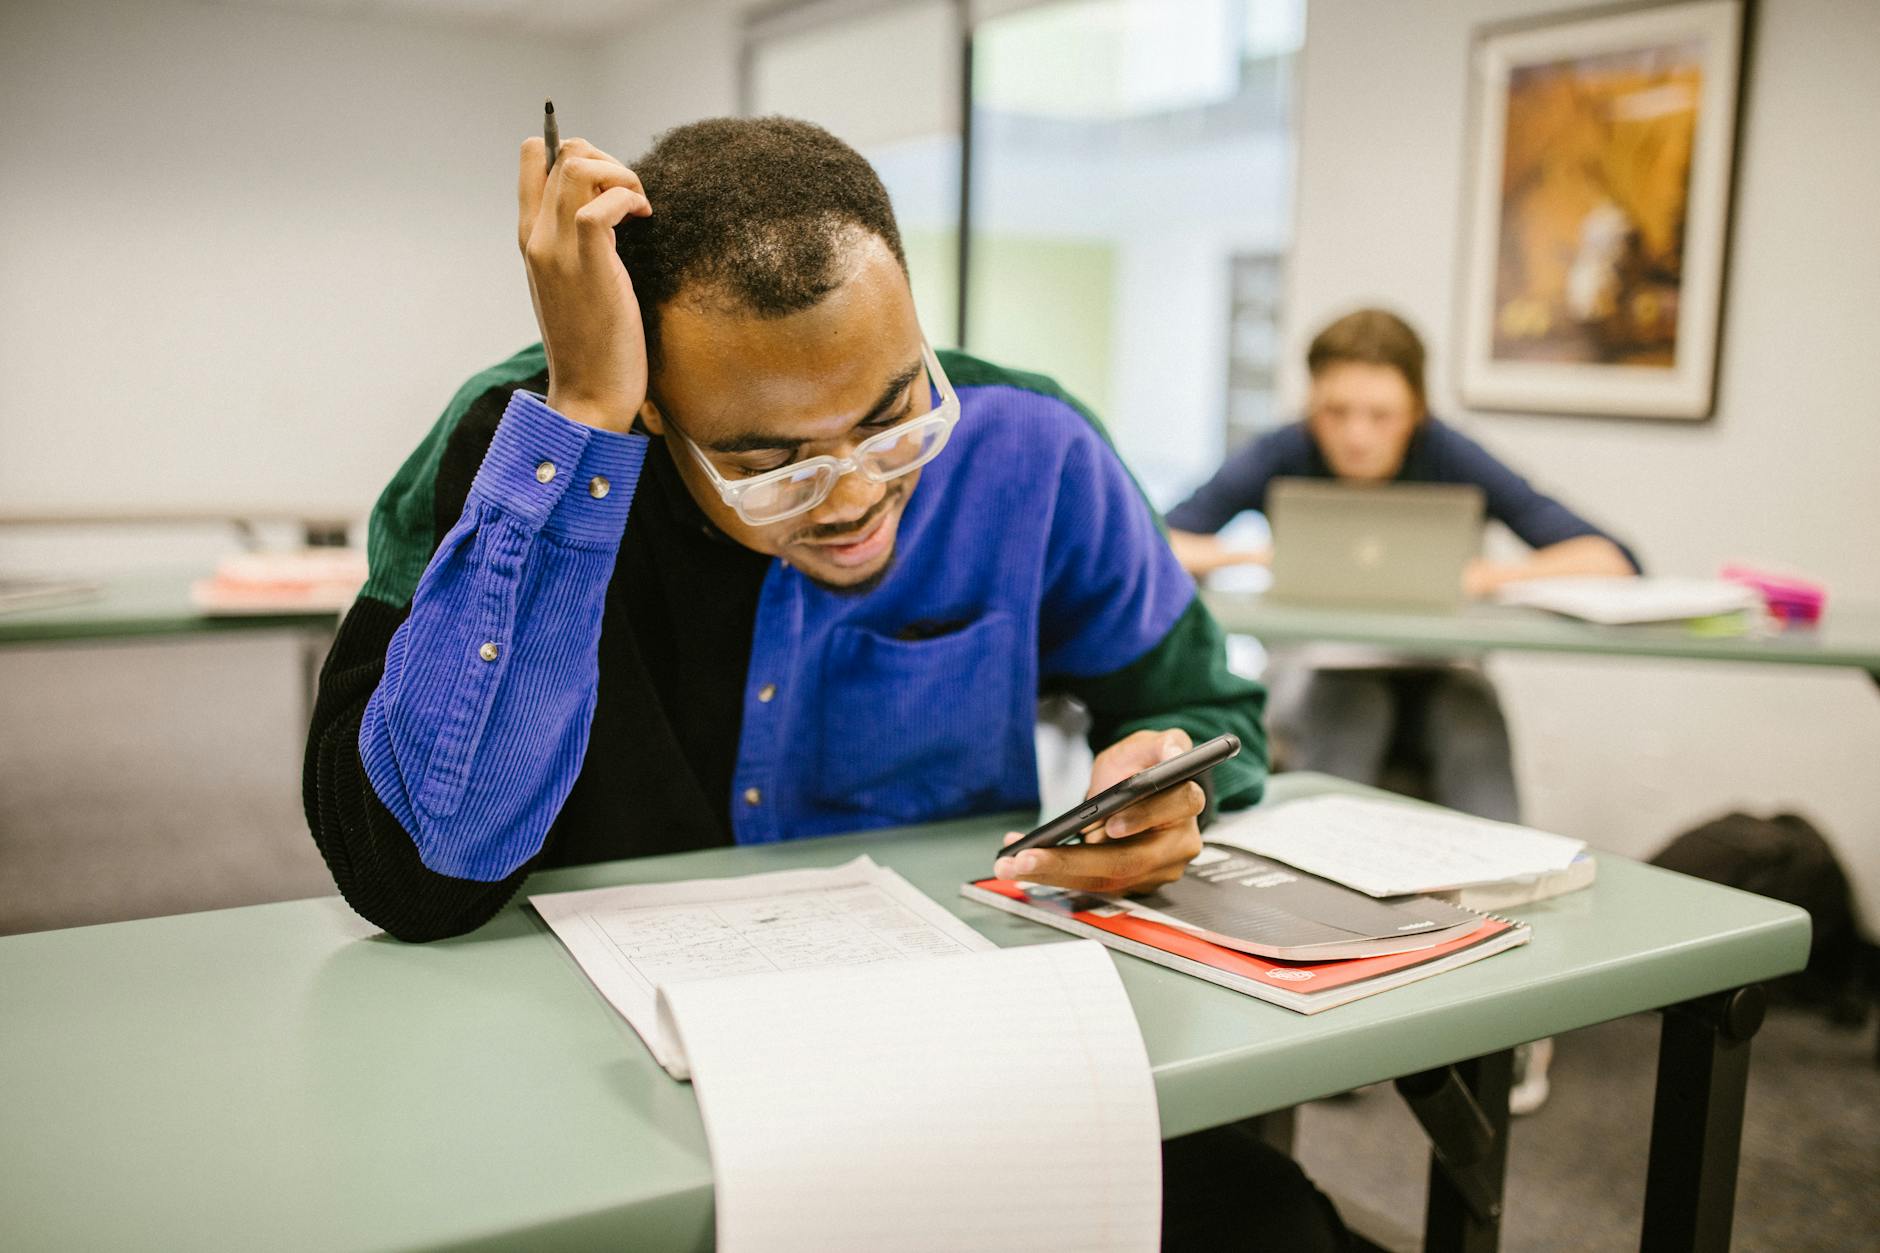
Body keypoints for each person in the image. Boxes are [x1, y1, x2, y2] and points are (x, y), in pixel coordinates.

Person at [302, 117, 1344, 1250]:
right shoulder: (524, 446)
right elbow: (416, 871)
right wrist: (586, 418)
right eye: (765, 462)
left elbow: (1200, 701)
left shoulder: (1032, 443)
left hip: (952, 1061)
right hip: (612, 1093)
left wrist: (1160, 769)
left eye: (893, 413)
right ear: (656, 398)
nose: (849, 497)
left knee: (1278, 1221)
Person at [1166, 307, 1639, 826]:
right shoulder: (1283, 451)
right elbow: (1157, 545)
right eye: (1336, 412)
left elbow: (1610, 559)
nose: (1357, 435)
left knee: (1470, 721)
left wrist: (1486, 577)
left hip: (1442, 671)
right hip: (1323, 670)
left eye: (1380, 415)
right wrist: (1256, 556)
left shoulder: (1449, 453)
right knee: (1351, 708)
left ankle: (1500, 890)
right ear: (1311, 404)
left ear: (1416, 410)